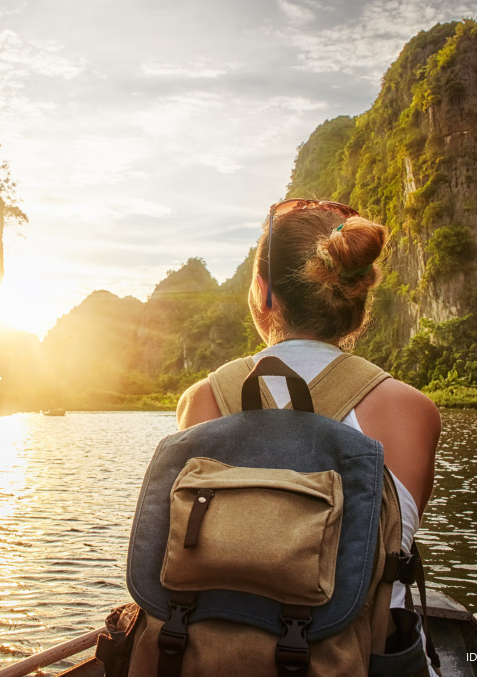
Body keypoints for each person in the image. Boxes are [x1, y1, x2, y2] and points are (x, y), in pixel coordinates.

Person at [176, 197, 440, 607]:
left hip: (219, 648)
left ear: (264, 293)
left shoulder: (204, 399)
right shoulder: (414, 412)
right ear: (358, 296)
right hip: (365, 655)